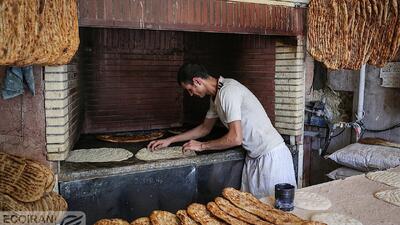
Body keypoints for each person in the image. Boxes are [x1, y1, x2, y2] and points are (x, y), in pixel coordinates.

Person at [148, 63, 296, 198]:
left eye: (190, 89)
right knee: (253, 213)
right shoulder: (216, 97)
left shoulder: (228, 91)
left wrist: (201, 146)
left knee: (276, 214)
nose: (191, 94)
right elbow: (205, 128)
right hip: (254, 158)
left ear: (197, 81)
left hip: (271, 157)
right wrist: (170, 140)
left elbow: (235, 137)